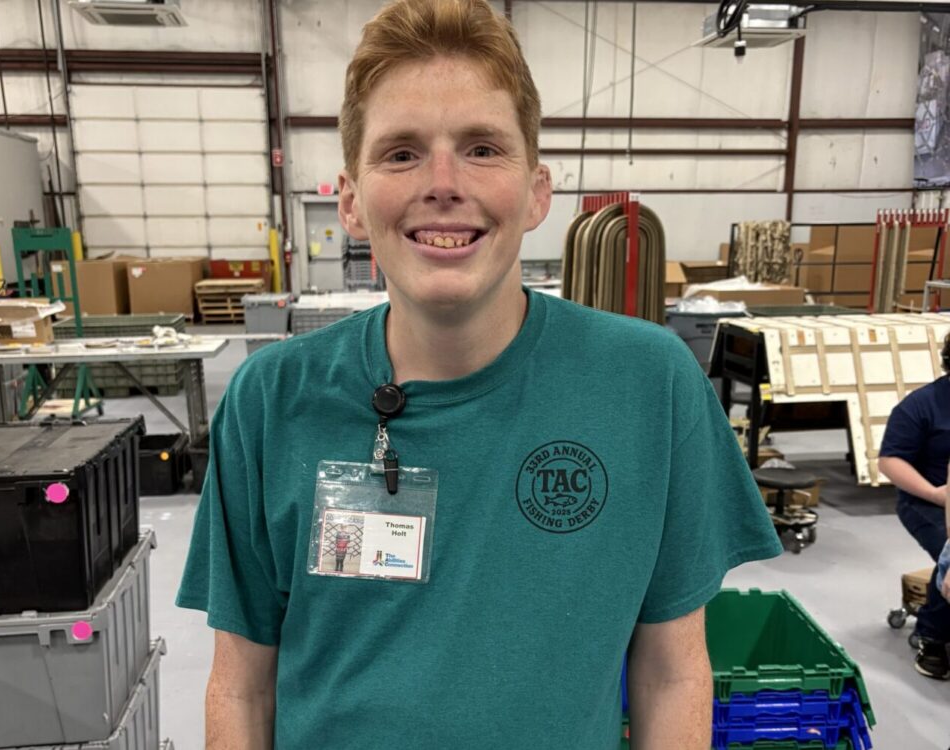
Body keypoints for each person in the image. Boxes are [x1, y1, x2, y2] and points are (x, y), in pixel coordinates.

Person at [175, 1, 782, 747]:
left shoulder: (650, 387)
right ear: (351, 202)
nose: (442, 182)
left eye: (483, 148)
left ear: (536, 192)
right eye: (400, 153)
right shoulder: (271, 401)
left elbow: (672, 672)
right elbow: (240, 685)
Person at [879, 332, 950, 680]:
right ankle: (933, 636)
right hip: (928, 502)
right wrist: (937, 494)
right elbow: (890, 461)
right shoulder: (921, 405)